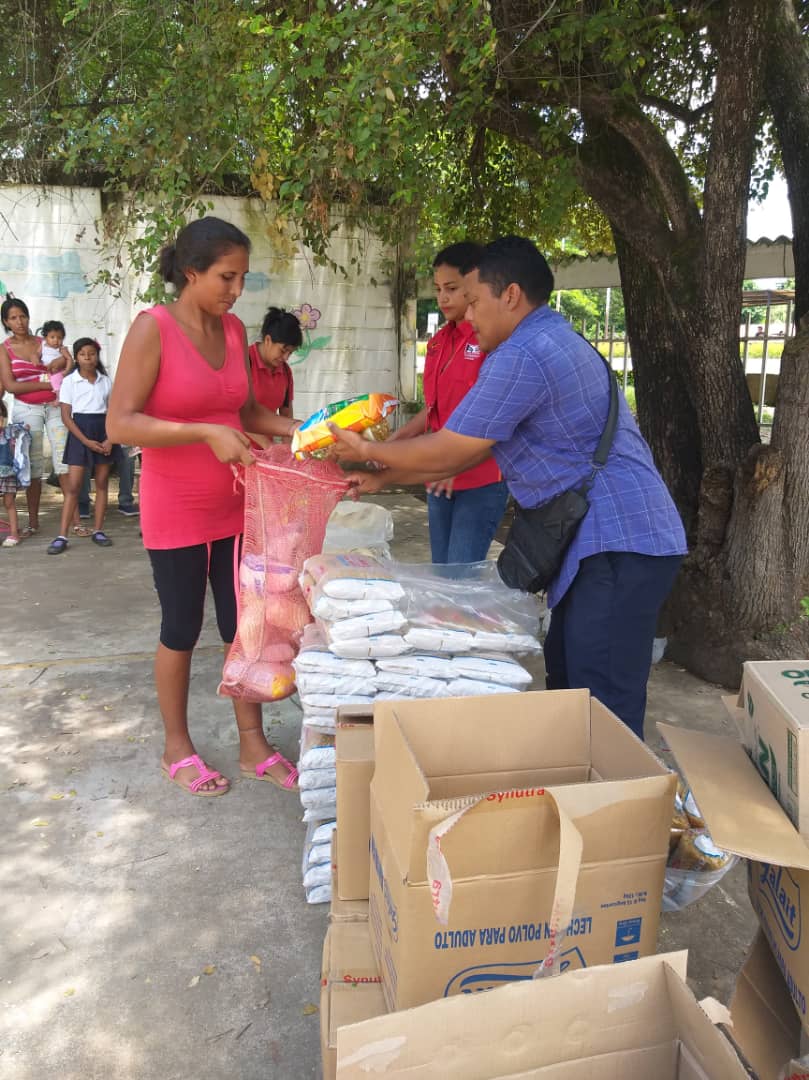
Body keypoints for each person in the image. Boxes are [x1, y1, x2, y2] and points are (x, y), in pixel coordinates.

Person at [330, 236, 687, 740]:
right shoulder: (551, 337)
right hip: (603, 539)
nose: (468, 314)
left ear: (511, 295)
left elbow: (452, 449)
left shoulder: (523, 354)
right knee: (571, 684)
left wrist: (368, 451)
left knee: (601, 704)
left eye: (475, 300)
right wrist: (383, 476)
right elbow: (474, 448)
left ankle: (616, 787)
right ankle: (582, 783)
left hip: (615, 538)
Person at [107, 216, 302, 797]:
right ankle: (177, 746)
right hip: (177, 510)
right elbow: (121, 423)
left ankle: (252, 743)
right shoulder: (154, 328)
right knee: (181, 627)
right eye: (226, 277)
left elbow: (245, 413)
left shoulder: (235, 331)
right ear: (191, 272)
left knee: (244, 627)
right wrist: (202, 433)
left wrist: (306, 428)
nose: (236, 290)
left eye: (242, 278)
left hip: (237, 505)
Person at [391, 242, 508, 563]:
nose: (443, 298)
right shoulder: (438, 344)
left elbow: (493, 417)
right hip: (438, 475)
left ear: (475, 285)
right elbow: (434, 410)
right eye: (438, 289)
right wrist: (398, 438)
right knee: (441, 573)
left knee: (459, 575)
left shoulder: (490, 341)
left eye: (452, 288)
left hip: (480, 477)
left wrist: (455, 464)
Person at [0, 297, 71, 534]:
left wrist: (62, 360)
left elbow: (66, 364)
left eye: (23, 316)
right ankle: (33, 523)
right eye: (13, 318)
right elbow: (11, 386)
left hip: (54, 406)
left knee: (64, 459)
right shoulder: (4, 349)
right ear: (6, 322)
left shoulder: (47, 341)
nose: (19, 321)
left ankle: (76, 521)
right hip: (26, 408)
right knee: (33, 464)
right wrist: (46, 385)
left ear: (29, 317)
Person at [48, 339, 118, 554]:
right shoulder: (70, 381)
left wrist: (110, 439)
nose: (87, 357)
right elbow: (66, 416)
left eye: (92, 353)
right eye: (82, 354)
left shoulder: (106, 381)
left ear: (97, 356)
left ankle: (98, 530)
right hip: (80, 433)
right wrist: (85, 441)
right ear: (76, 357)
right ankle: (62, 535)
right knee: (73, 487)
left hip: (103, 430)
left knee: (102, 483)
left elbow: (113, 412)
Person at [248, 306, 301, 419]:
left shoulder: (285, 371)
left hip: (270, 430)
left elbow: (286, 414)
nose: (286, 358)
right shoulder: (244, 362)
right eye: (283, 351)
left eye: (290, 353)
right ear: (268, 340)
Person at [0, 397, 30, 547]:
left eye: (0, 414)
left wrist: (25, 429)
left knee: (9, 503)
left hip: (8, 475)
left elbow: (21, 430)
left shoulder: (8, 432)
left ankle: (14, 534)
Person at [38, 320, 72, 393]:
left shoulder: (62, 348)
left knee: (57, 384)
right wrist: (36, 361)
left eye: (59, 338)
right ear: (45, 338)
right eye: (52, 337)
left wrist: (66, 371)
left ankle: (58, 396)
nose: (56, 340)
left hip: (58, 372)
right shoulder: (43, 345)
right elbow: (37, 354)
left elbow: (69, 359)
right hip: (46, 371)